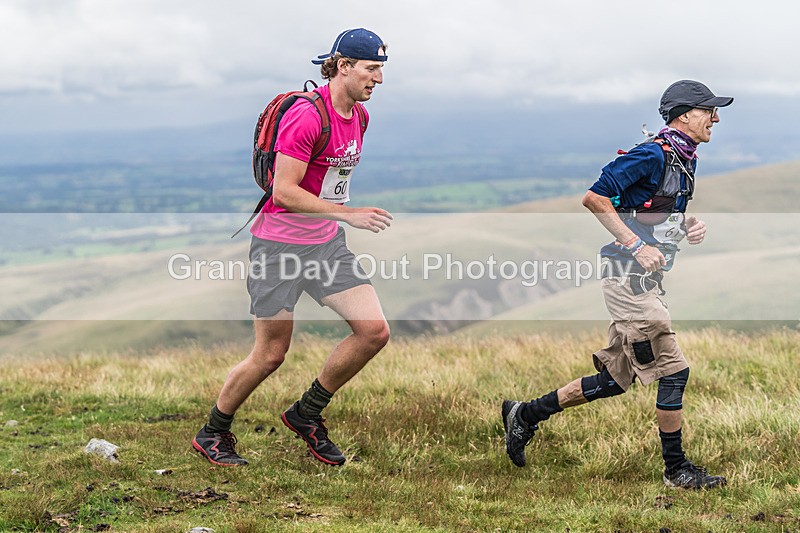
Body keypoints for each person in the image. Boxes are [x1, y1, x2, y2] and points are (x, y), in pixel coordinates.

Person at [502, 80, 733, 489]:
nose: (715, 118)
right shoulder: (651, 154)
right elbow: (595, 197)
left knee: (613, 380)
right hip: (628, 280)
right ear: (684, 116)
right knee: (674, 372)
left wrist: (687, 225)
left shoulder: (683, 158)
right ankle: (676, 470)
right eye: (708, 111)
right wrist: (636, 246)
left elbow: (650, 212)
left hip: (646, 281)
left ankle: (525, 414)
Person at [193, 28, 392, 467]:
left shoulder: (359, 117)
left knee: (374, 332)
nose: (378, 79)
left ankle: (306, 413)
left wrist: (337, 219)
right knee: (270, 355)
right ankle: (213, 432)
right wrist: (347, 214)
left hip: (325, 246)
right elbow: (283, 192)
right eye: (371, 69)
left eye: (381, 69)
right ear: (343, 67)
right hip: (278, 248)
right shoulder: (307, 116)